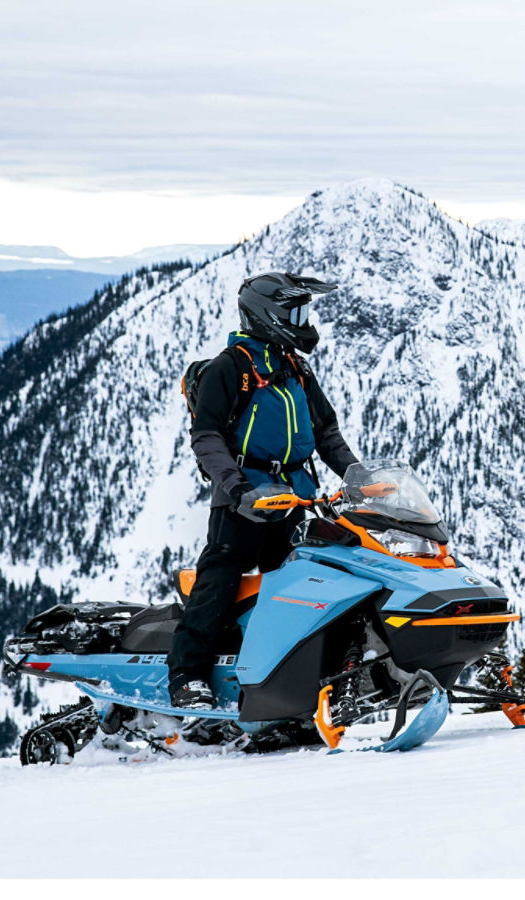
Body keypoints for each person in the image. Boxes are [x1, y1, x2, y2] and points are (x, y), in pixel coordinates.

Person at [168, 271, 360, 709]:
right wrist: (237, 489)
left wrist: (357, 476)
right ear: (267, 315)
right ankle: (186, 676)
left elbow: (326, 432)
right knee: (221, 576)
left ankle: (291, 679)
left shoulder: (296, 366)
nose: (303, 320)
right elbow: (207, 436)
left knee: (300, 590)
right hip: (245, 500)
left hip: (296, 497)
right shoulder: (230, 367)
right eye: (296, 312)